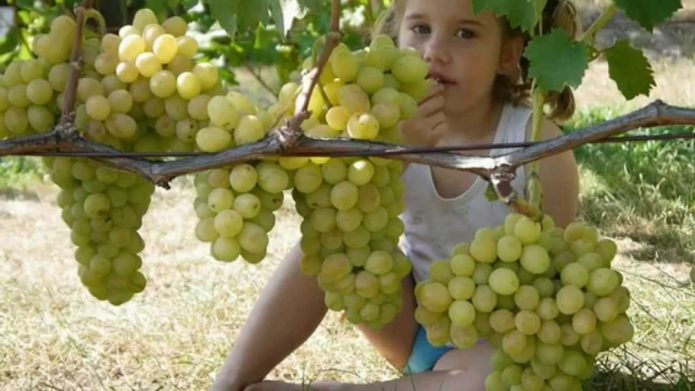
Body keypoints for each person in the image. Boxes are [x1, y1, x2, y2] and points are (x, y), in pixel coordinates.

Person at [212, 0, 580, 390]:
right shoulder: (385, 130)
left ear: (507, 56)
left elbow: (554, 280)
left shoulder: (534, 144)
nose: (434, 50)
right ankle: (232, 382)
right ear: (396, 35)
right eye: (421, 29)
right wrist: (395, 155)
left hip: (500, 341)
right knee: (332, 237)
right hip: (411, 328)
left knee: (494, 380)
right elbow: (348, 210)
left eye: (465, 34)